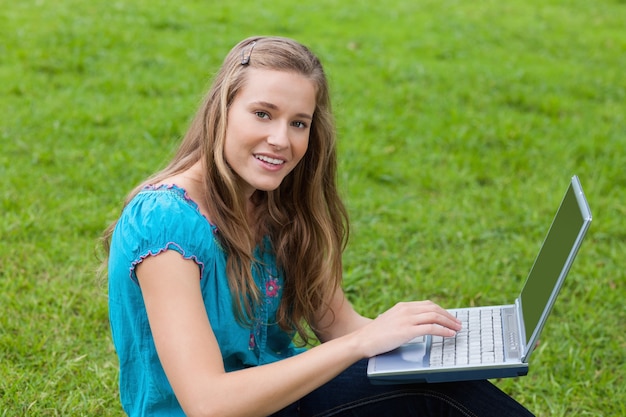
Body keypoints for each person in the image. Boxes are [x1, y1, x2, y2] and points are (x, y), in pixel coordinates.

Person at [102, 36, 534, 417]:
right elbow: (209, 404)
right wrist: (356, 348)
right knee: (440, 399)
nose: (281, 140)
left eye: (298, 123)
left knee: (440, 385)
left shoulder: (275, 205)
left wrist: (443, 344)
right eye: (262, 113)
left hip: (282, 399)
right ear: (222, 111)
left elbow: (341, 325)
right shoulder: (164, 224)